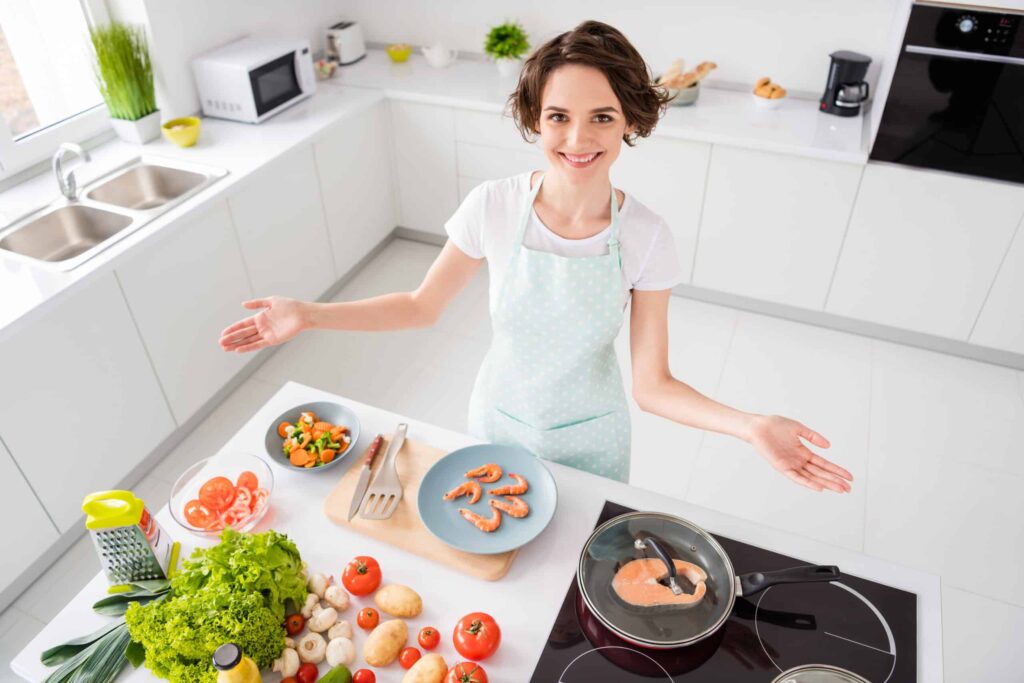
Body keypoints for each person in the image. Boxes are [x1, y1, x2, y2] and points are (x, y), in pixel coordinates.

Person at [219, 20, 853, 493]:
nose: (578, 140)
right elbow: (419, 306)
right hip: (497, 419)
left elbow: (654, 386)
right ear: (535, 119)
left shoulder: (647, 236)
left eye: (602, 117)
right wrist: (308, 312)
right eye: (558, 117)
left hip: (596, 440)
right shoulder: (491, 207)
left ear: (629, 121)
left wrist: (749, 425)